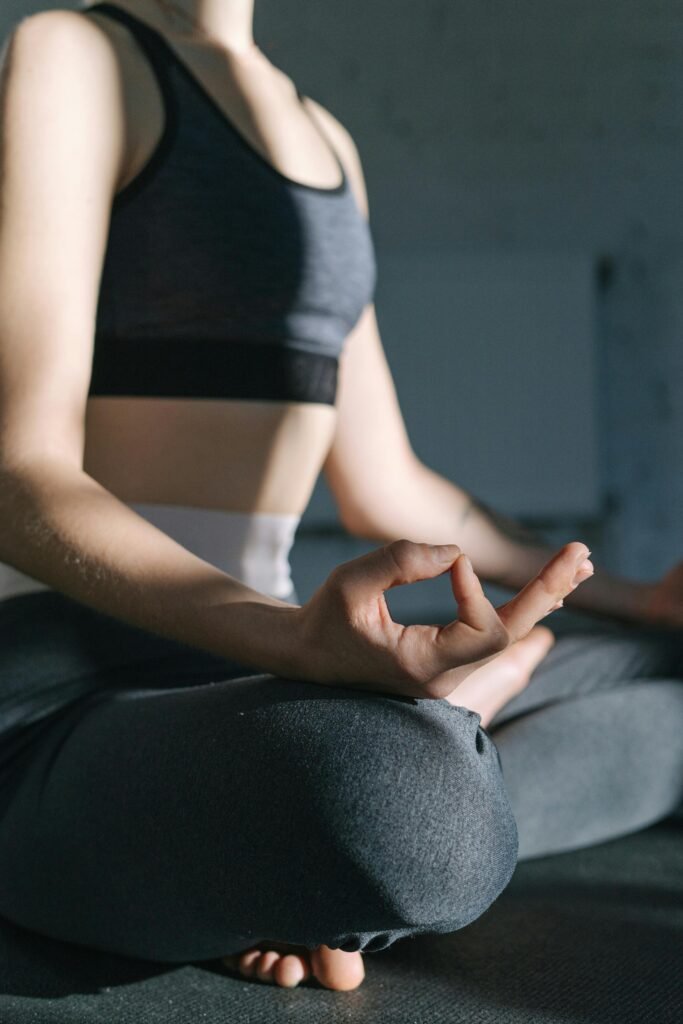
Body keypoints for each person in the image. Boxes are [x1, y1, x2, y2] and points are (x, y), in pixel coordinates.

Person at [0, 0, 680, 994]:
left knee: (662, 669)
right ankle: (396, 779)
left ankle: (304, 847)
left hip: (263, 686)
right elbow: (21, 479)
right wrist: (290, 643)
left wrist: (634, 598)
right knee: (408, 805)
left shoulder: (327, 143)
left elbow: (389, 487)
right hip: (75, 679)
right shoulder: (78, 54)